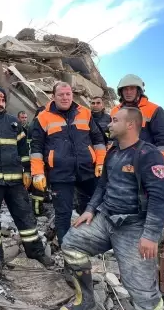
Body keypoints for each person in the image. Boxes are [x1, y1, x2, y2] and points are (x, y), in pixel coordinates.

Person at [58, 107, 164, 310]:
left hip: (135, 228)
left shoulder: (149, 155)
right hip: (106, 219)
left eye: (115, 120)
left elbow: (160, 199)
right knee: (71, 244)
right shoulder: (113, 152)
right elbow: (102, 186)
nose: (110, 123)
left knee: (142, 291)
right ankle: (85, 300)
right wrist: (89, 210)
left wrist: (151, 235)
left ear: (131, 125)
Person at [0, 87, 53, 274]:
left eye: (3, 101)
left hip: (15, 181)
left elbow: (23, 150)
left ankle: (35, 251)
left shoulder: (14, 122)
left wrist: (27, 172)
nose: (0, 104)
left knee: (26, 217)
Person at [30, 82, 107, 244]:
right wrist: (37, 173)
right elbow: (36, 148)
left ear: (72, 95)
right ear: (53, 96)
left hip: (87, 171)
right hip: (60, 174)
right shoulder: (43, 118)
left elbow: (98, 140)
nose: (65, 98)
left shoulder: (85, 113)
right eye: (61, 95)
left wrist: (101, 163)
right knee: (63, 214)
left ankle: (92, 244)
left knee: (93, 208)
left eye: (68, 94)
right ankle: (67, 252)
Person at [111, 74, 164, 170]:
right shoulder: (115, 110)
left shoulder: (154, 109)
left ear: (139, 91)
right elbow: (112, 137)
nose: (128, 92)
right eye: (125, 89)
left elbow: (163, 141)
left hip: (145, 161)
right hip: (119, 161)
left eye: (132, 89)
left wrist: (163, 166)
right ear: (121, 92)